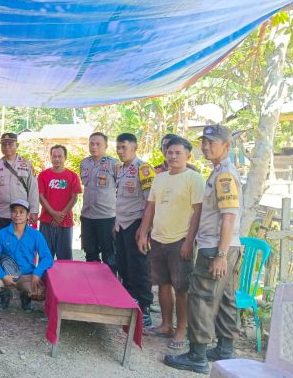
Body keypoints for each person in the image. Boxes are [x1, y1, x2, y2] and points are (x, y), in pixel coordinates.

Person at [165, 125, 242, 374]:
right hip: (225, 246)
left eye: (212, 143)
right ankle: (225, 349)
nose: (206, 147)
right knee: (226, 299)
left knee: (201, 299)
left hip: (216, 247)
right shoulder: (219, 171)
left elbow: (228, 216)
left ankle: (197, 355)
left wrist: (220, 255)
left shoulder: (224, 175)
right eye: (204, 142)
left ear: (226, 146)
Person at [137, 136, 204, 350]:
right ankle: (166, 325)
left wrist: (189, 241)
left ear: (188, 155)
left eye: (178, 153)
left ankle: (181, 329)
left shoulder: (194, 179)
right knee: (163, 285)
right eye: (170, 152)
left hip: (180, 240)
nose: (173, 156)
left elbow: (198, 212)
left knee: (181, 287)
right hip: (158, 239)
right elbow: (150, 207)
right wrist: (143, 234)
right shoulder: (159, 178)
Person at [113, 133, 155, 329]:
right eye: (118, 148)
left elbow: (150, 202)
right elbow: (120, 199)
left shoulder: (143, 168)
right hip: (121, 225)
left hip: (137, 225)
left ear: (135, 148)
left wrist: (144, 231)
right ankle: (129, 303)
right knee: (123, 266)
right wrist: (116, 223)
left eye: (124, 147)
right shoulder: (120, 169)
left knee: (139, 268)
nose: (120, 151)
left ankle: (145, 310)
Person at [0, 199, 53, 311]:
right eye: (14, 211)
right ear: (11, 214)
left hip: (27, 275)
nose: (17, 215)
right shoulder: (1, 234)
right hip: (6, 274)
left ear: (28, 215)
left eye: (21, 212)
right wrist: (3, 275)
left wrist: (37, 273)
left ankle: (25, 296)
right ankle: (5, 295)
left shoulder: (36, 235)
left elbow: (47, 258)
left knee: (42, 293)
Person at [79, 132, 119, 270]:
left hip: (106, 217)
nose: (94, 147)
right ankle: (92, 282)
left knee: (109, 255)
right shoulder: (84, 163)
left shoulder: (114, 164)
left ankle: (110, 282)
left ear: (106, 146)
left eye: (98, 144)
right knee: (90, 253)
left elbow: (122, 190)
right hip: (87, 216)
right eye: (92, 144)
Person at [0, 133, 39, 229]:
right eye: (4, 144)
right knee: (1, 237)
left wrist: (34, 211)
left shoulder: (26, 165)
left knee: (19, 238)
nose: (7, 147)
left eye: (10, 144)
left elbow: (33, 189)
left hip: (20, 213)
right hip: (0, 214)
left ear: (17, 145)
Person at [38, 145, 82, 261]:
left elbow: (74, 198)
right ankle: (45, 274)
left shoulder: (72, 176)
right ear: (50, 157)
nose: (57, 159)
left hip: (65, 222)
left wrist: (61, 215)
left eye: (60, 156)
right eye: (54, 156)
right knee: (45, 257)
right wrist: (53, 213)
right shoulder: (43, 175)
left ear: (65, 157)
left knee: (65, 259)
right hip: (47, 221)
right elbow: (40, 196)